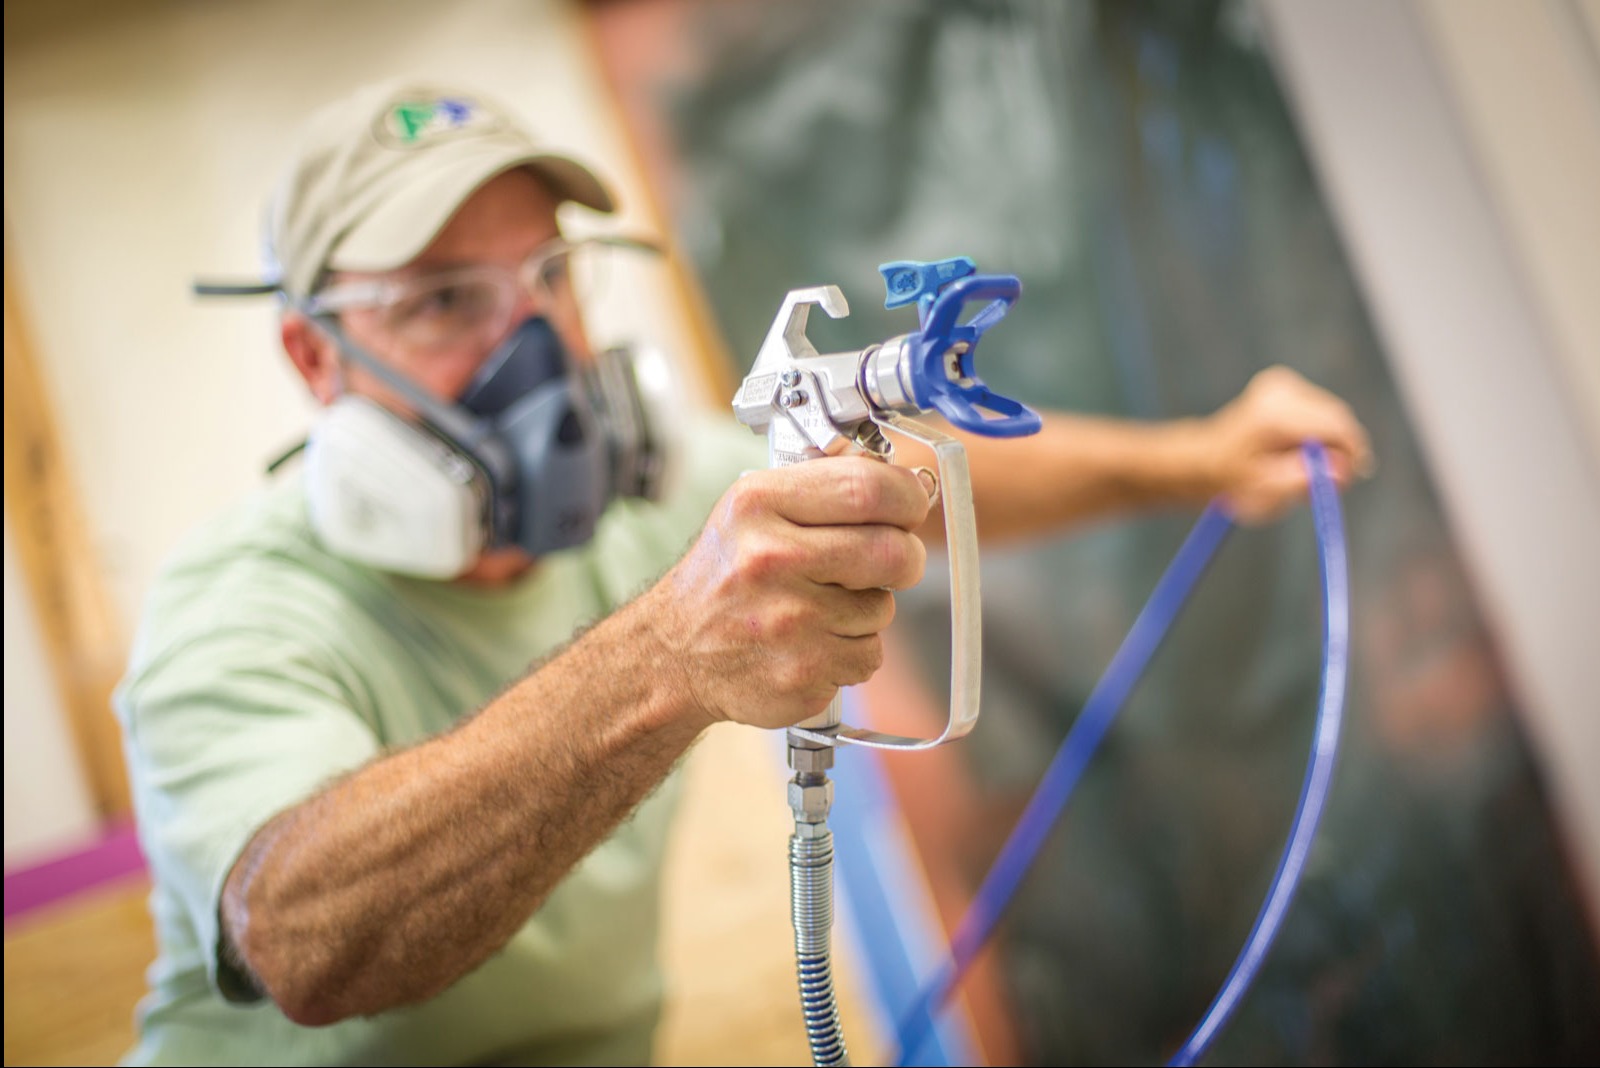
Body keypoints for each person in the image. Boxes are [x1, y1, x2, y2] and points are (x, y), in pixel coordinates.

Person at [113, 78, 1373, 1066]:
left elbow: (906, 482)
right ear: (315, 358)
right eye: (443, 301)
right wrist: (666, 658)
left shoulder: (644, 489)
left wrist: (1197, 458)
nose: (532, 341)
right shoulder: (239, 607)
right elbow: (303, 943)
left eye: (550, 275)